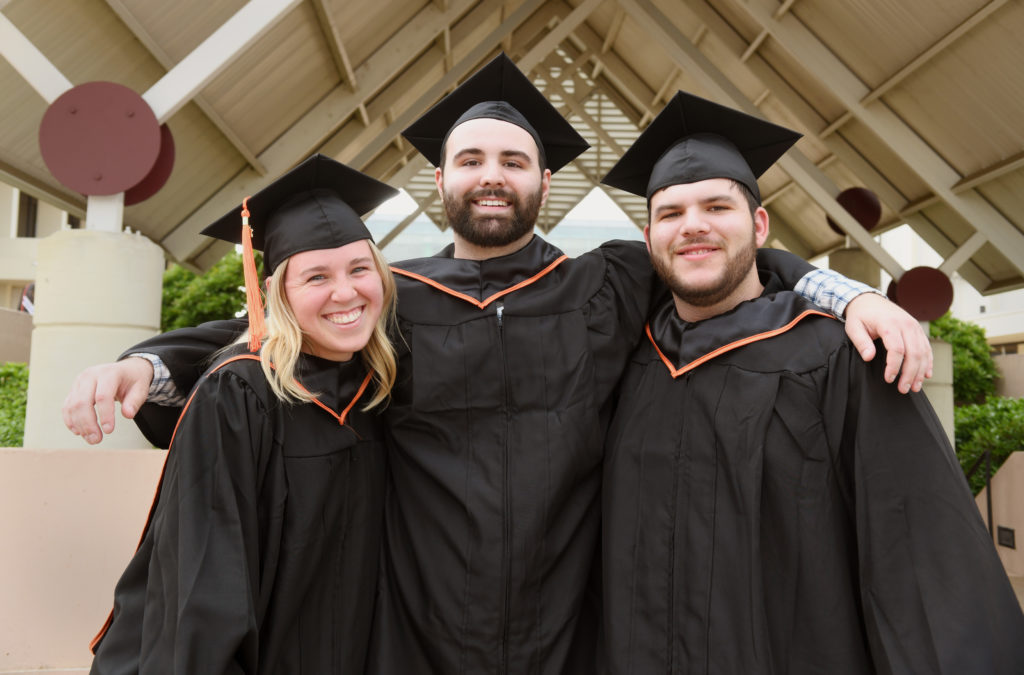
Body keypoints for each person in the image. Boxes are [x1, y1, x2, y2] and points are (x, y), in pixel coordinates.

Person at [65, 55, 932, 674]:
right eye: (470, 159)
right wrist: (156, 364)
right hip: (413, 628)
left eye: (513, 161)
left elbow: (719, 260)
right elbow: (280, 325)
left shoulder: (608, 281)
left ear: (543, 180)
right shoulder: (390, 295)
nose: (491, 175)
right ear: (437, 179)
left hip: (571, 628)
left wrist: (848, 294)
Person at [599, 91, 1024, 674]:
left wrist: (851, 296)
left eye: (716, 207)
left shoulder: (842, 356)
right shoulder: (627, 353)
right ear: (648, 239)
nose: (692, 226)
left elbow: (923, 561)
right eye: (670, 213)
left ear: (759, 223)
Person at [89, 155, 399, 674]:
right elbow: (204, 580)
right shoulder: (240, 395)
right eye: (316, 276)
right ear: (277, 293)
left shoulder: (380, 384)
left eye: (359, 269)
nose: (345, 292)